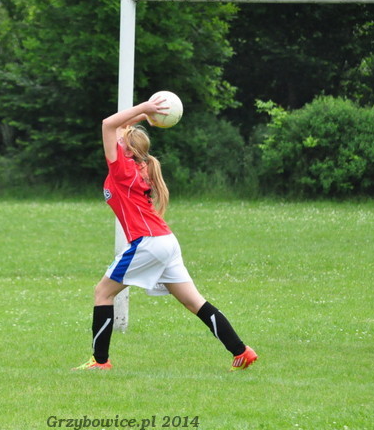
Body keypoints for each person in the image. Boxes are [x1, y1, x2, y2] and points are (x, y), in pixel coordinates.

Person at [73, 97, 257, 371]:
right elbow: (118, 127)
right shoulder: (141, 165)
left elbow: (108, 124)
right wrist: (144, 117)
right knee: (194, 302)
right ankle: (242, 351)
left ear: (126, 148)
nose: (117, 138)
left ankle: (100, 362)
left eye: (121, 139)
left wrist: (145, 108)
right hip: (165, 241)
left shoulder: (122, 168)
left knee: (103, 293)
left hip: (147, 243)